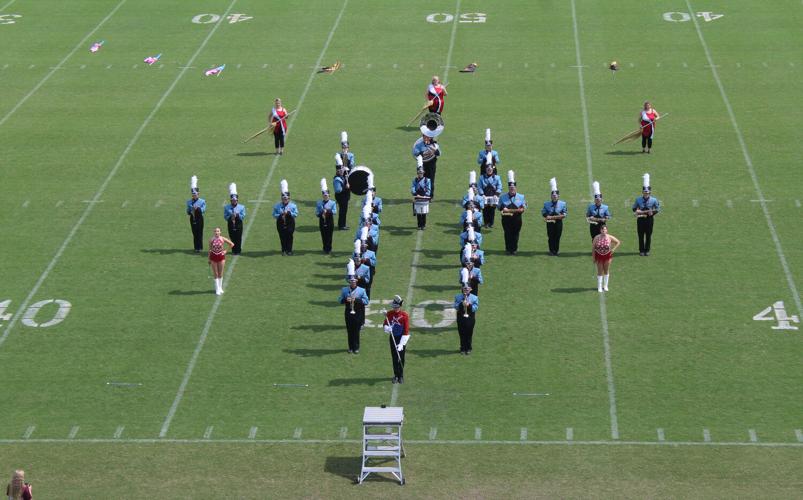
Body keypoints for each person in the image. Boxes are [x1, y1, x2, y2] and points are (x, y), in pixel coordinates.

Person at [339, 263, 369, 354]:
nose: (353, 283)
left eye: (354, 281)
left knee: (356, 330)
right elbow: (339, 300)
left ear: (356, 281)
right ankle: (350, 347)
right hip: (348, 312)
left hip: (358, 313)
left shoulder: (361, 290)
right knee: (349, 330)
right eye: (351, 281)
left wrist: (356, 300)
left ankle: (356, 347)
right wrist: (345, 299)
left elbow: (366, 301)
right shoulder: (344, 290)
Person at [383, 295, 410, 384]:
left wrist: (401, 344)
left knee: (401, 357)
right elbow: (385, 325)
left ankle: (401, 375)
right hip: (393, 338)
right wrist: (388, 328)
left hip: (401, 338)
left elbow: (406, 331)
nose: (395, 309)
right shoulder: (389, 314)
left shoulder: (404, 315)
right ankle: (396, 375)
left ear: (399, 307)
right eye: (394, 307)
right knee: (394, 357)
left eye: (396, 307)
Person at [499, 170, 527, 255]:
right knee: (507, 234)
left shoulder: (521, 197)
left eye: (513, 188)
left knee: (515, 234)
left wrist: (510, 210)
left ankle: (514, 249)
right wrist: (515, 210)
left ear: (515, 188)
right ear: (509, 188)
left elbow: (522, 209)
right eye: (510, 188)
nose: (512, 189)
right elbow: (500, 207)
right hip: (506, 219)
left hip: (517, 219)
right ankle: (508, 249)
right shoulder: (503, 197)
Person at [632, 173, 660, 256]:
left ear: (650, 192)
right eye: (644, 192)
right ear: (642, 192)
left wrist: (653, 213)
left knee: (648, 235)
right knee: (640, 235)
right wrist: (637, 210)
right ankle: (641, 250)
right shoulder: (638, 199)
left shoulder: (654, 200)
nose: (646, 194)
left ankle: (647, 250)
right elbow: (634, 208)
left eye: (647, 193)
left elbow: (658, 209)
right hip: (640, 219)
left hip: (649, 219)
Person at [541, 177, 567, 256]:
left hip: (559, 223)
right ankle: (551, 250)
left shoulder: (563, 204)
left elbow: (564, 214)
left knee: (557, 236)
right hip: (550, 223)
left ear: (558, 196)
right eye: (553, 195)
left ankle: (556, 250)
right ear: (551, 196)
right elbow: (543, 212)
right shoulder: (546, 204)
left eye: (556, 196)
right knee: (550, 236)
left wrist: (552, 217)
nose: (555, 197)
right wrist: (546, 216)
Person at [273, 179, 298, 256]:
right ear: (281, 198)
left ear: (289, 198)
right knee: (282, 236)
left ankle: (289, 250)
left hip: (290, 222)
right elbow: (274, 214)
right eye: (284, 198)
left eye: (286, 198)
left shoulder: (293, 206)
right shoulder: (277, 206)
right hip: (280, 222)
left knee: (290, 236)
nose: (285, 200)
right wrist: (280, 215)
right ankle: (283, 250)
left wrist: (289, 213)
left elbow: (296, 214)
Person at [593, 225, 621, 292]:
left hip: (607, 255)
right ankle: (599, 286)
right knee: (600, 271)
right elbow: (593, 248)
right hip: (599, 255)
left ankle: (605, 286)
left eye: (605, 229)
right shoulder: (596, 237)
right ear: (600, 230)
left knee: (606, 270)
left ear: (607, 230)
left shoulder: (609, 237)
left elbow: (618, 242)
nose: (604, 231)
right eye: (602, 230)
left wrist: (613, 249)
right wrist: (593, 257)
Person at [411, 134, 440, 198]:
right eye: (424, 137)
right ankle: (419, 195)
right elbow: (415, 152)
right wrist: (422, 152)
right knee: (420, 180)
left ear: (430, 137)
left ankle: (430, 196)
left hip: (431, 164)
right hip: (422, 164)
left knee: (431, 180)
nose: (425, 138)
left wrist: (434, 149)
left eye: (427, 137)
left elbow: (439, 154)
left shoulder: (434, 145)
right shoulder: (419, 144)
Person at [208, 227, 235, 295]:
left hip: (221, 256)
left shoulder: (222, 238)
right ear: (214, 232)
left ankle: (220, 288)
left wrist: (226, 251)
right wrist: (209, 259)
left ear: (220, 232)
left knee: (221, 273)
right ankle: (217, 289)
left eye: (218, 231)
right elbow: (210, 250)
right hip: (213, 256)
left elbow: (232, 244)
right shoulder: (211, 240)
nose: (216, 232)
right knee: (215, 273)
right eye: (215, 231)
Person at [453, 284, 479, 355]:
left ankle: (468, 348)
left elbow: (476, 308)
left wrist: (469, 305)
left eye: (467, 289)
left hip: (470, 319)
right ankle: (462, 348)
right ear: (462, 289)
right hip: (460, 318)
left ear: (470, 289)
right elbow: (455, 306)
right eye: (464, 289)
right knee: (461, 334)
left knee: (469, 334)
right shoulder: (458, 297)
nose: (466, 290)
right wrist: (461, 304)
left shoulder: (474, 298)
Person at [224, 183, 245, 255]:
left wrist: (237, 216)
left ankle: (238, 250)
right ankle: (233, 250)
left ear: (237, 200)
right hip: (230, 223)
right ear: (231, 200)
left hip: (238, 224)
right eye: (233, 200)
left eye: (235, 200)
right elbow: (225, 216)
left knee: (238, 237)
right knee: (232, 237)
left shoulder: (242, 207)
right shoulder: (227, 207)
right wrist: (230, 217)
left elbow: (243, 216)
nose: (234, 201)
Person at [316, 179, 336, 254]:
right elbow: (317, 213)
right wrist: (321, 212)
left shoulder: (332, 203)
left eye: (327, 195)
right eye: (324, 195)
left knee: (329, 235)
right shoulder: (319, 203)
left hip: (329, 220)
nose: (325, 197)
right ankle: (325, 248)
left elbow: (334, 212)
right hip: (322, 220)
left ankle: (329, 248)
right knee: (323, 235)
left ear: (329, 196)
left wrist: (328, 211)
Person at [186, 175, 206, 253]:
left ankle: (200, 247)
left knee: (199, 232)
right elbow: (187, 211)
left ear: (198, 194)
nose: (194, 196)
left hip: (199, 218)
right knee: (194, 232)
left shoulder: (202, 201)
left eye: (196, 194)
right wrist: (191, 210)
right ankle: (196, 247)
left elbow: (203, 210)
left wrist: (197, 208)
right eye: (193, 195)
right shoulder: (189, 202)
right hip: (192, 218)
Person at [479, 163, 502, 228]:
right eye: (488, 169)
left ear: (492, 169)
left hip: (493, 196)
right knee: (485, 210)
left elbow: (500, 186)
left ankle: (491, 223)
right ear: (486, 169)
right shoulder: (481, 177)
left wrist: (496, 194)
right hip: (485, 196)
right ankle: (486, 223)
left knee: (492, 210)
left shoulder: (497, 177)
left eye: (490, 169)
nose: (489, 170)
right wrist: (482, 194)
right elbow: (479, 187)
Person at [411, 158, 432, 230]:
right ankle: (419, 225)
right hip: (417, 198)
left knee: (424, 213)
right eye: (419, 173)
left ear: (423, 173)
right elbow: (413, 188)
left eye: (421, 173)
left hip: (424, 198)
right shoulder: (415, 180)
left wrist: (424, 195)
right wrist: (415, 193)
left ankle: (423, 225)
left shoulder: (427, 180)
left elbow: (429, 189)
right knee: (418, 213)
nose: (420, 174)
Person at [333, 155, 351, 230]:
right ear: (337, 171)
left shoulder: (343, 175)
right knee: (342, 211)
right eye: (340, 170)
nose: (341, 171)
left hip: (344, 197)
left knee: (344, 211)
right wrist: (345, 187)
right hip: (341, 197)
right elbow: (338, 190)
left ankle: (343, 224)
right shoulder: (337, 179)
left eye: (342, 170)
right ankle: (341, 225)